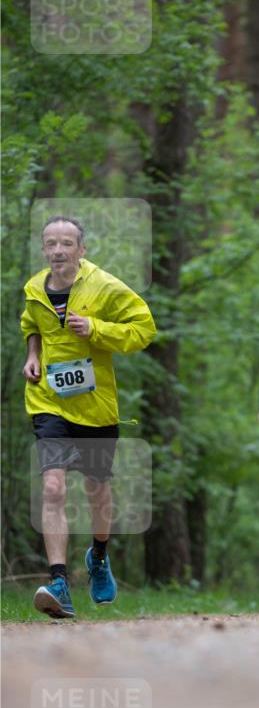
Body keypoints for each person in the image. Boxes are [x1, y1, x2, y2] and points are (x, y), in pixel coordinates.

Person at [21, 215, 157, 618]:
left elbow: (144, 328)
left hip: (96, 407)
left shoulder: (105, 286)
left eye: (67, 243)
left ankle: (98, 556)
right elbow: (31, 324)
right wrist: (32, 355)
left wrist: (96, 329)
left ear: (82, 249)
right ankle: (59, 582)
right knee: (52, 488)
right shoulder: (33, 288)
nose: (58, 250)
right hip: (48, 402)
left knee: (97, 490)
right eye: (51, 244)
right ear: (44, 249)